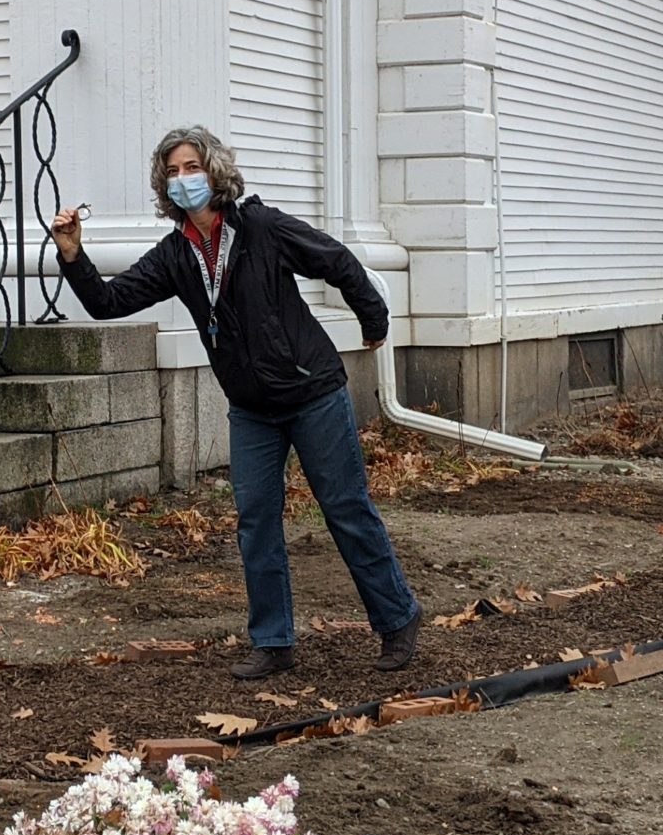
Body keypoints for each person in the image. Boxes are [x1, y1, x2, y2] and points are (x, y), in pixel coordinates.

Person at [50, 126, 420, 680]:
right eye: (173, 172)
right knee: (255, 523)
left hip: (311, 391)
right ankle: (273, 642)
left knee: (345, 509)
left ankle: (397, 619)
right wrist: (74, 256)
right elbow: (109, 301)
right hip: (251, 408)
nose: (183, 180)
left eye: (192, 168)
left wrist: (374, 319)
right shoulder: (177, 254)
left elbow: (336, 259)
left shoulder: (261, 227)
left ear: (215, 172)